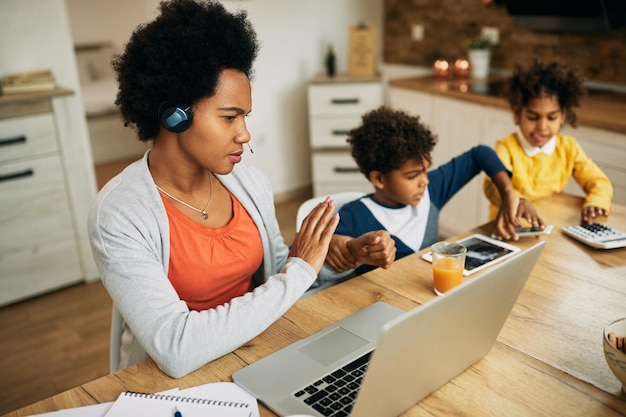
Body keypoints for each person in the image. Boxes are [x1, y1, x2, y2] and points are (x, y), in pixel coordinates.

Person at [88, 0, 339, 379]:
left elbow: (280, 273)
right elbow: (175, 346)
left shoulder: (250, 184)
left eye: (245, 116)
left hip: (259, 360)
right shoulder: (120, 213)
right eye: (229, 117)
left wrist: (330, 261)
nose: (245, 134)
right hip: (174, 387)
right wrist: (299, 270)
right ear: (175, 115)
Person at [318, 105, 528, 280]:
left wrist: (508, 192)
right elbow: (309, 256)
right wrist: (340, 246)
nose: (425, 181)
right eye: (412, 176)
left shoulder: (431, 190)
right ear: (379, 179)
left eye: (426, 170)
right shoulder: (354, 216)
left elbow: (480, 154)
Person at [483, 58, 613, 225]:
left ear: (563, 116)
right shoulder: (507, 147)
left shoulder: (568, 148)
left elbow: (599, 182)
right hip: (507, 228)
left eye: (552, 117)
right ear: (517, 114)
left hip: (548, 226)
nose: (542, 127)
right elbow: (492, 185)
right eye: (533, 117)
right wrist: (517, 201)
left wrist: (596, 202)